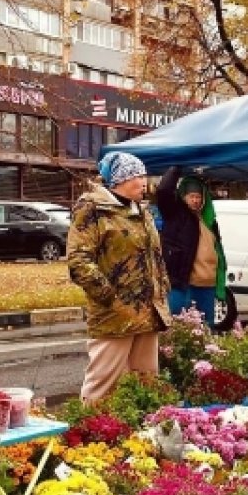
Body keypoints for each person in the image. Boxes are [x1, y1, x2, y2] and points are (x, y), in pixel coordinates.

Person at [67, 152, 171, 402]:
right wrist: (111, 299)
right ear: (120, 180)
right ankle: (87, 433)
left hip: (149, 312)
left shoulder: (141, 210)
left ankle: (142, 435)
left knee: (147, 382)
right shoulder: (92, 208)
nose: (144, 181)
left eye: (144, 175)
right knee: (103, 384)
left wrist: (162, 287)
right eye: (138, 176)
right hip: (115, 315)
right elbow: (79, 261)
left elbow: (154, 255)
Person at [156, 168, 227, 327]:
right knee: (179, 328)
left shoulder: (209, 221)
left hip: (208, 286)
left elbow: (218, 252)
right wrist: (176, 169)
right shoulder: (175, 214)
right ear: (183, 197)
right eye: (192, 196)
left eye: (199, 197)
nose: (196, 200)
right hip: (184, 285)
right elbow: (163, 191)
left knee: (206, 330)